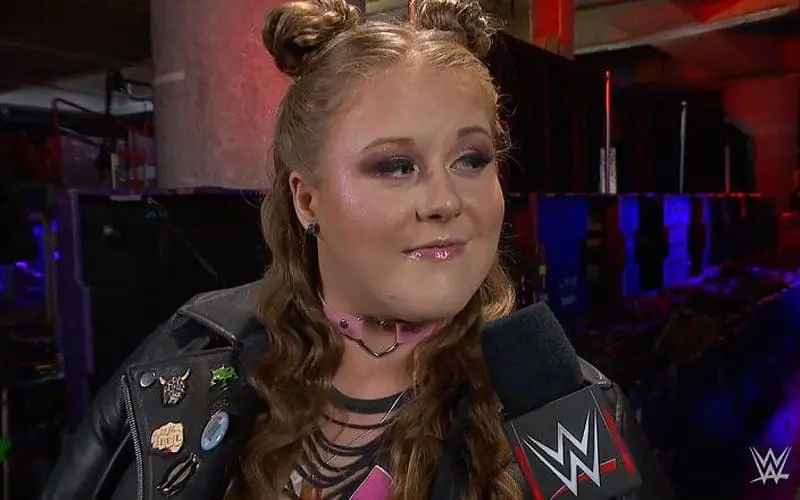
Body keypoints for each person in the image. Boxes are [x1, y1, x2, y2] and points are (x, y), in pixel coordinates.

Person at [40, 0, 673, 498]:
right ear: (306, 200)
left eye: (472, 159)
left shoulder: (564, 411)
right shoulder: (189, 353)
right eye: (396, 165)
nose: (446, 200)